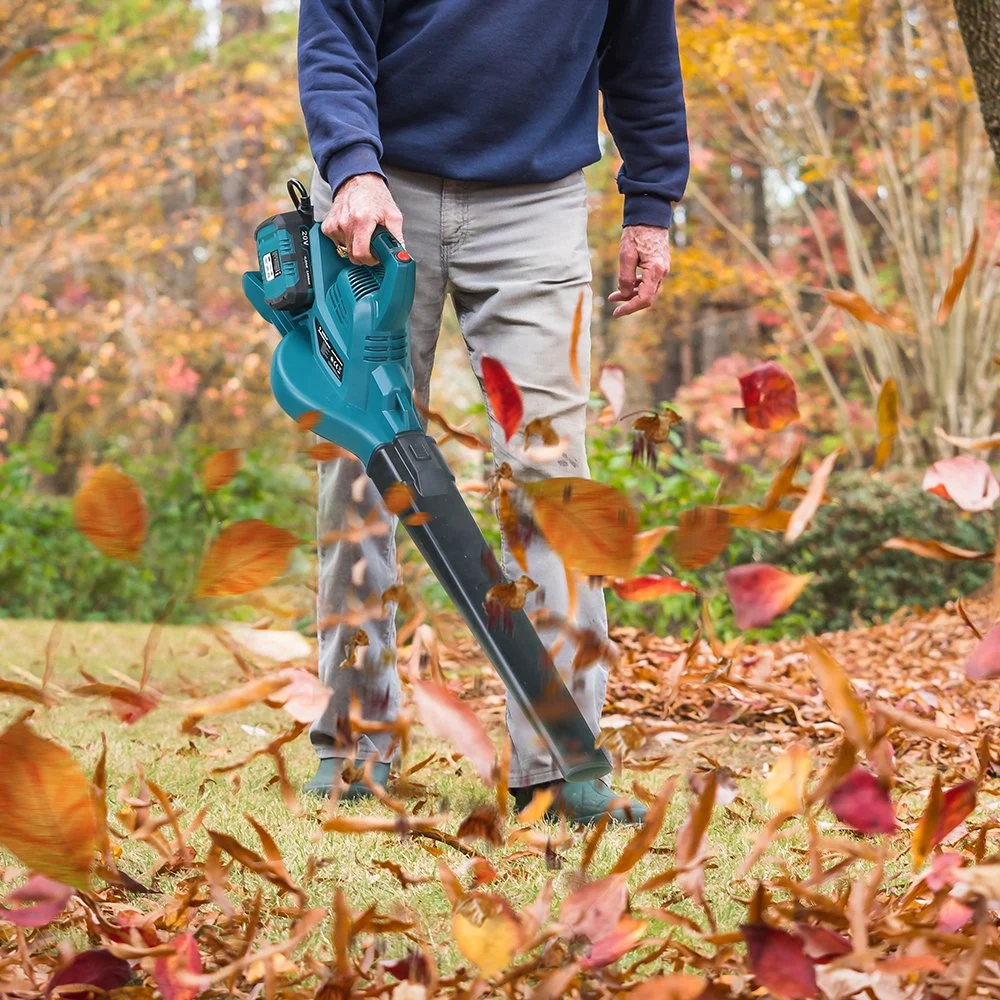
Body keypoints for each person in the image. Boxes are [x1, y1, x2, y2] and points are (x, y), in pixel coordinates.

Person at [297, 0, 689, 824]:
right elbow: (334, 35)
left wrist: (651, 203)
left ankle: (562, 762)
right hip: (381, 195)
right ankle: (356, 749)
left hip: (537, 202)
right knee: (361, 475)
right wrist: (353, 166)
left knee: (552, 480)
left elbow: (643, 58)